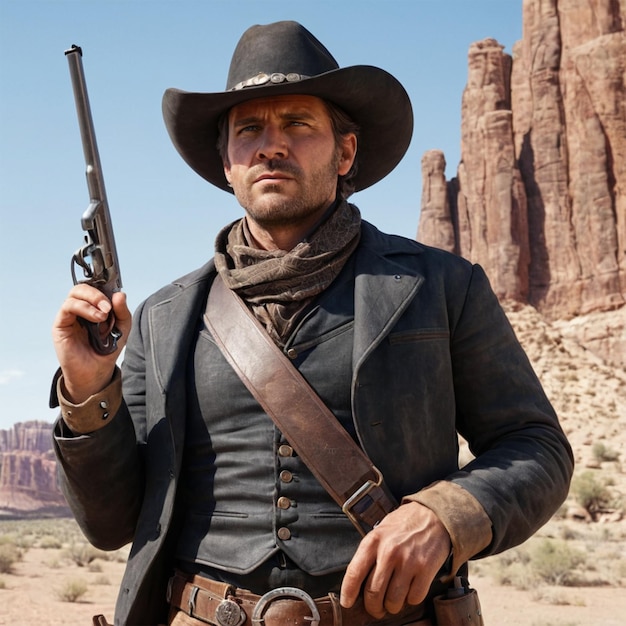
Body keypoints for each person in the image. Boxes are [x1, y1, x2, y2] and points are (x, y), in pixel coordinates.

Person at [51, 21, 574, 626]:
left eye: (297, 124)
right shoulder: (163, 318)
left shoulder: (442, 287)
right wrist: (87, 391)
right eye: (248, 130)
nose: (271, 145)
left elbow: (537, 448)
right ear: (227, 163)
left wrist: (446, 515)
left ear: (345, 151)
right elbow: (111, 525)